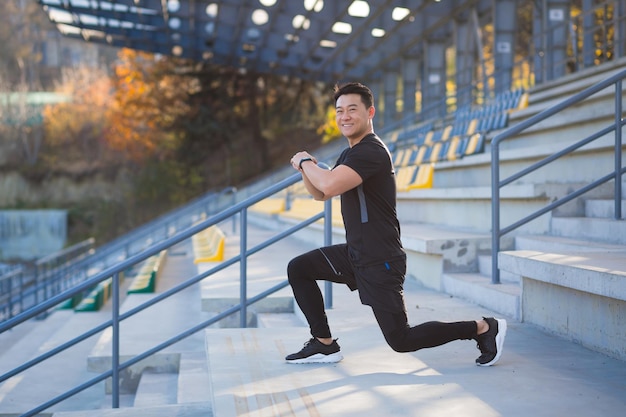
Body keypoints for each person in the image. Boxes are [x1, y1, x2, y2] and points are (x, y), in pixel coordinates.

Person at [286, 82, 506, 366]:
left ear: (370, 112)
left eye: (352, 109)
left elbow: (327, 182)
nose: (345, 116)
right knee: (299, 268)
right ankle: (324, 343)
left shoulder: (371, 151)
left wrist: (304, 161)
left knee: (402, 340)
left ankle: (483, 328)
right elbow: (322, 193)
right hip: (357, 253)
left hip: (380, 259)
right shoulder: (350, 153)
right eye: (340, 111)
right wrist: (306, 167)